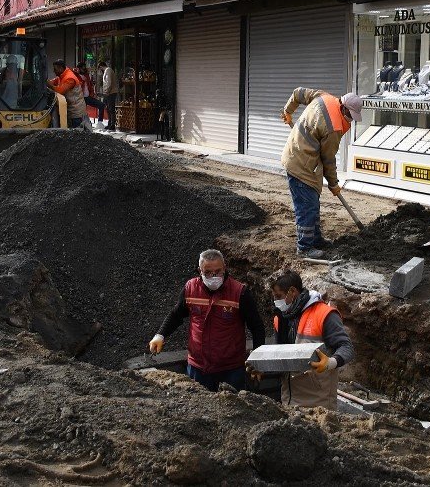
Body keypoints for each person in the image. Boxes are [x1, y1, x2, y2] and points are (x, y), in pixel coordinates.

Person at [148, 249, 265, 392]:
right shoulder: (191, 289)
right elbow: (176, 315)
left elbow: (257, 327)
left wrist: (258, 360)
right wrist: (160, 335)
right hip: (198, 367)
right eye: (208, 272)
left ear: (224, 268)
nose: (214, 276)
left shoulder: (239, 292)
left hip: (231, 368)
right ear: (200, 271)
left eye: (218, 271)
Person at [280, 88, 363, 258]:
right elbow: (328, 159)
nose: (350, 119)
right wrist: (334, 184)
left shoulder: (323, 97)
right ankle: (304, 248)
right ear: (344, 107)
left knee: (312, 203)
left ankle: (316, 240)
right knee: (307, 207)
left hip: (299, 155)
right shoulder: (334, 128)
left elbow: (298, 93)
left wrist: (288, 111)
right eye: (350, 115)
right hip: (301, 164)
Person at [267, 270, 354, 410]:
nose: (276, 301)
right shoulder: (281, 318)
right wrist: (263, 368)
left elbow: (346, 347)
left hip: (318, 404)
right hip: (289, 400)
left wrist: (331, 362)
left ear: (292, 291)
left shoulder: (323, 314)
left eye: (278, 296)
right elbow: (281, 357)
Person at [46, 59, 89, 129]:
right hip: (71, 111)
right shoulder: (61, 75)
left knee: (77, 132)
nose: (54, 71)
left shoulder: (70, 78)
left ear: (60, 68)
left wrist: (50, 85)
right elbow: (53, 81)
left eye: (55, 69)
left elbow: (60, 91)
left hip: (76, 113)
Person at [76, 62, 106, 128]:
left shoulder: (86, 75)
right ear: (79, 69)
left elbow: (90, 85)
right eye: (82, 68)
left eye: (84, 68)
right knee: (81, 112)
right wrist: (83, 81)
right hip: (80, 98)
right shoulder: (76, 76)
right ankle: (83, 124)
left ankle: (100, 122)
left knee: (101, 105)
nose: (84, 69)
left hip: (88, 97)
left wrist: (93, 93)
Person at [99, 59, 118, 132]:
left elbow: (108, 82)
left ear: (101, 66)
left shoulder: (108, 70)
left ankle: (112, 124)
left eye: (100, 68)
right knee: (108, 108)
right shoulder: (108, 70)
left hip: (110, 93)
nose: (100, 70)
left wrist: (106, 91)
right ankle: (110, 123)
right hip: (109, 92)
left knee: (111, 109)